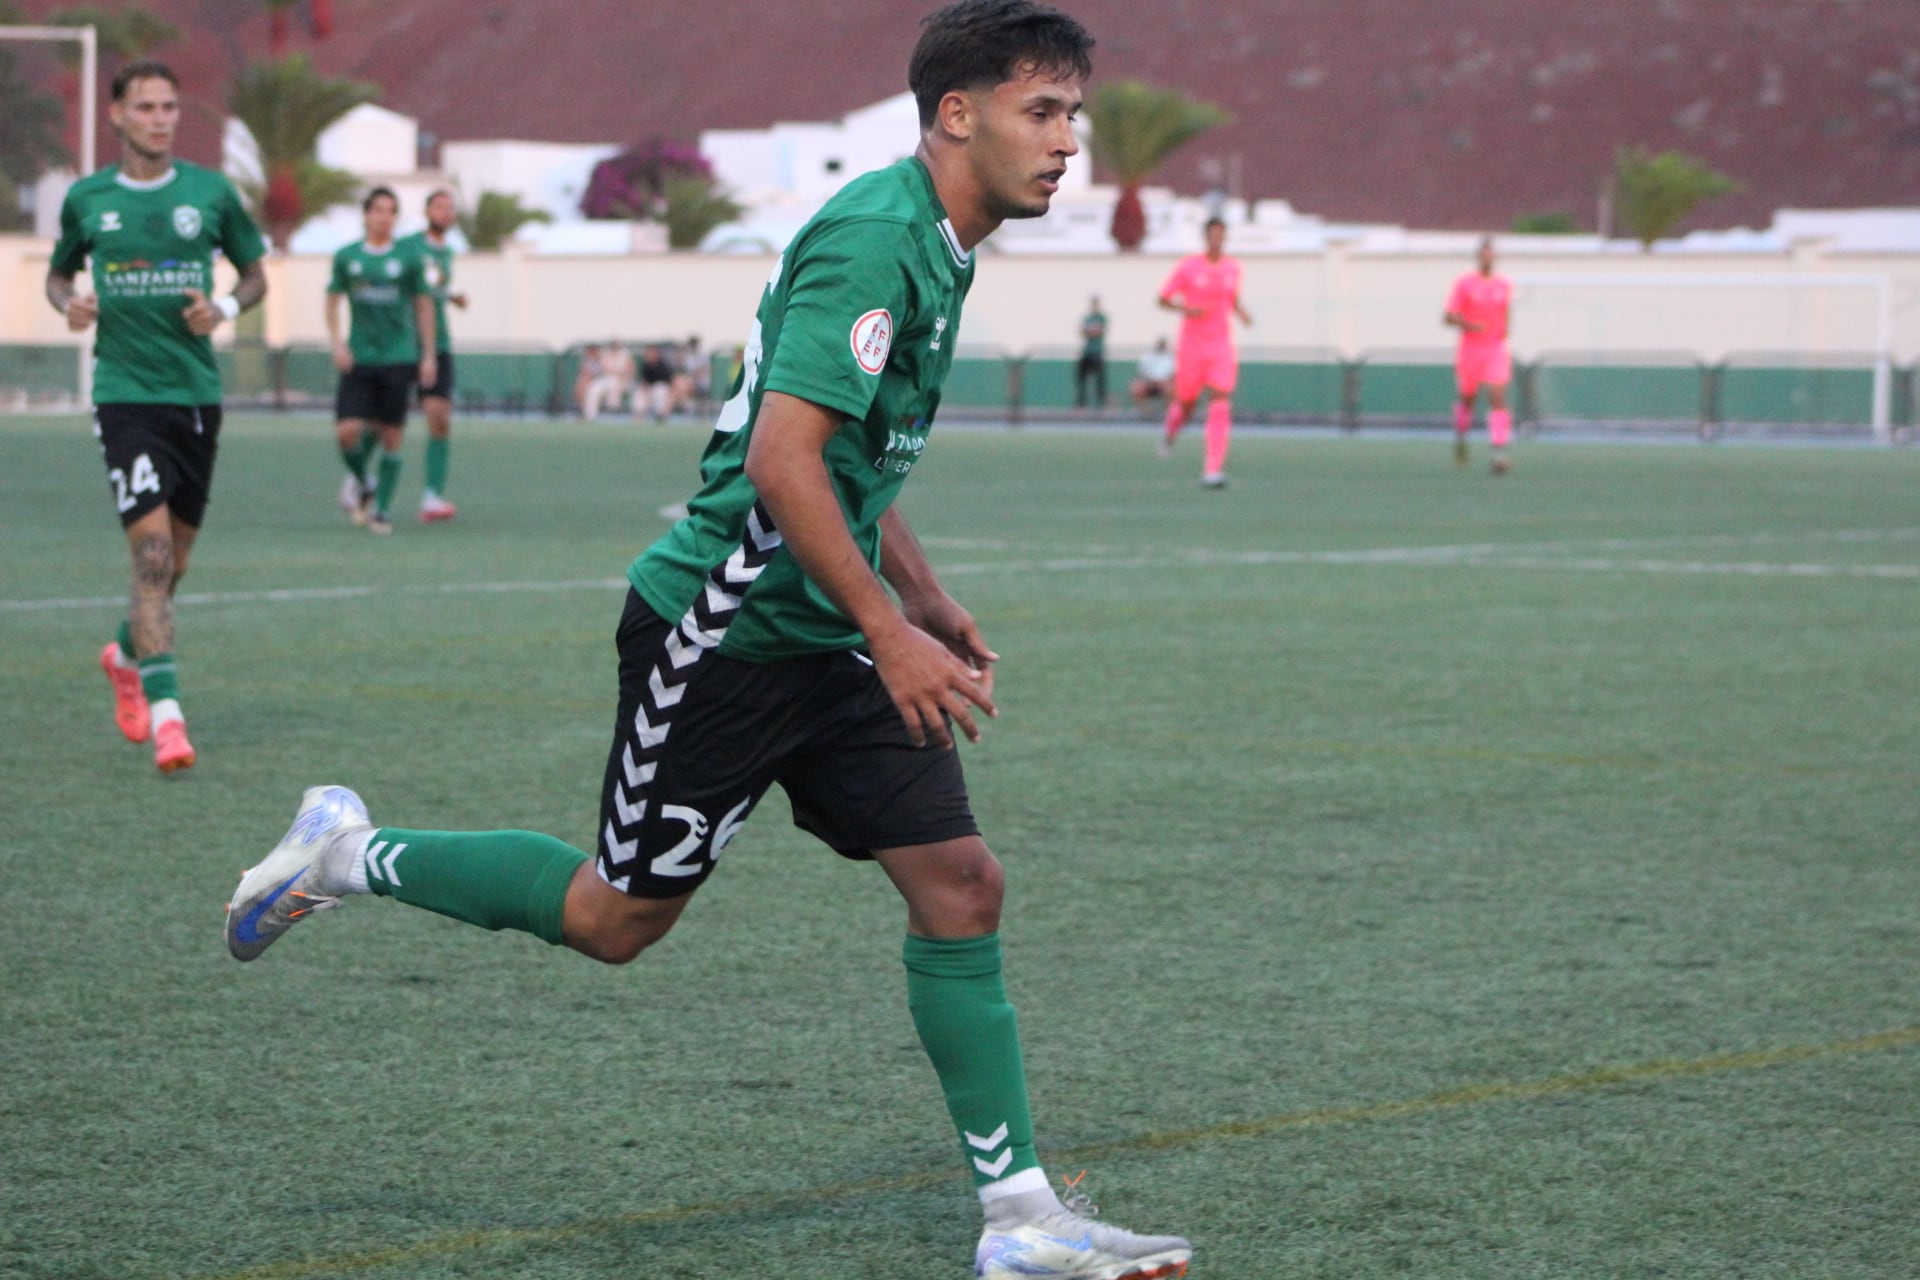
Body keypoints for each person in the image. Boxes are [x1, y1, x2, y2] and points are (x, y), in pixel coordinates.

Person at [224, 5, 1191, 1278]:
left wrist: (924, 595)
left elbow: (850, 456)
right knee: (614, 918)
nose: (1071, 143)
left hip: (825, 636)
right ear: (958, 114)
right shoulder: (874, 239)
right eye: (1045, 111)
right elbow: (783, 460)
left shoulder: (944, 244)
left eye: (1076, 114)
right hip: (721, 633)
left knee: (963, 882)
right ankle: (349, 851)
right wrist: (887, 626)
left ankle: (1020, 1221)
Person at [48, 61, 267, 774]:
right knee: (150, 557)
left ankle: (123, 648)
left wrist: (226, 307)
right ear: (116, 115)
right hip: (124, 395)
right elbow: (58, 275)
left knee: (176, 561)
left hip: (196, 394)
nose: (161, 117)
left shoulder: (211, 194)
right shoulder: (88, 199)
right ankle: (170, 719)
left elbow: (254, 271)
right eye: (145, 106)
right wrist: (69, 303)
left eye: (170, 105)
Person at [327, 187, 435, 535]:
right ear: (366, 215)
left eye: (391, 211)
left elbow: (423, 304)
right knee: (346, 432)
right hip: (360, 357)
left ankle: (382, 512)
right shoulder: (347, 256)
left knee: (390, 435)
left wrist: (428, 354)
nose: (384, 217)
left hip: (398, 357)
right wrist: (337, 343)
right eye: (378, 210)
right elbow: (332, 300)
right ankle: (365, 481)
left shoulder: (408, 257)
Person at [1157, 217, 1252, 488]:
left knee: (1220, 398)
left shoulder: (1233, 268)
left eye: (1221, 235)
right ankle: (1171, 430)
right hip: (1191, 346)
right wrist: (1186, 310)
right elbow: (1162, 298)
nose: (1217, 240)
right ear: (1205, 237)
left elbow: (1232, 297)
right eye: (1212, 235)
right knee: (1186, 402)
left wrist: (1241, 312)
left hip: (1221, 344)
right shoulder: (1188, 267)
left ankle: (1212, 469)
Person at [397, 188, 467, 523]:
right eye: (439, 207)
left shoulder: (448, 252)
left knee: (439, 417)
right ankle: (360, 481)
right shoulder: (409, 246)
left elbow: (431, 286)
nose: (445, 213)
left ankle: (432, 497)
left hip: (437, 345)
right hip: (400, 344)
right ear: (427, 211)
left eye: (450, 208)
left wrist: (452, 297)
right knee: (381, 423)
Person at [1445, 234, 1515, 474]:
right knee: (1468, 399)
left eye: (1490, 254)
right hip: (1470, 349)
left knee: (1497, 397)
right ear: (1478, 257)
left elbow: (1506, 312)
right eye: (1483, 254)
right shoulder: (1464, 284)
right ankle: (1461, 437)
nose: (1487, 258)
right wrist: (1469, 324)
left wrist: (1504, 336)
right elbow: (1448, 316)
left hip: (1494, 349)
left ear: (1494, 257)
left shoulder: (1504, 285)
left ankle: (1499, 453)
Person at [1075, 294, 1107, 408]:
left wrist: (1089, 331)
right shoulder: (1087, 318)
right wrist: (1090, 331)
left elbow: (1098, 331)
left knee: (1100, 379)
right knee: (1081, 378)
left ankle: (1100, 403)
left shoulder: (1102, 318)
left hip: (1097, 352)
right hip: (1086, 352)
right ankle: (1081, 402)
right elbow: (1081, 331)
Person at [1130, 336, 1174, 411]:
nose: (1161, 346)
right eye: (1160, 344)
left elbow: (1172, 374)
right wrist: (1149, 381)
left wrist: (1163, 382)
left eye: (1163, 344)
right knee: (1136, 388)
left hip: (1164, 384)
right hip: (1149, 383)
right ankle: (1145, 411)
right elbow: (1142, 373)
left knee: (1171, 388)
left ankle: (1168, 411)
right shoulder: (1147, 357)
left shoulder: (1171, 357)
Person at [637, 342, 676, 422]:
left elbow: (670, 384)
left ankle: (661, 416)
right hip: (649, 390)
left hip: (663, 390)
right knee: (639, 393)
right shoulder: (646, 365)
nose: (649, 354)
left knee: (659, 390)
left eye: (652, 352)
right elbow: (645, 382)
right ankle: (639, 417)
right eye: (648, 352)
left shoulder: (663, 366)